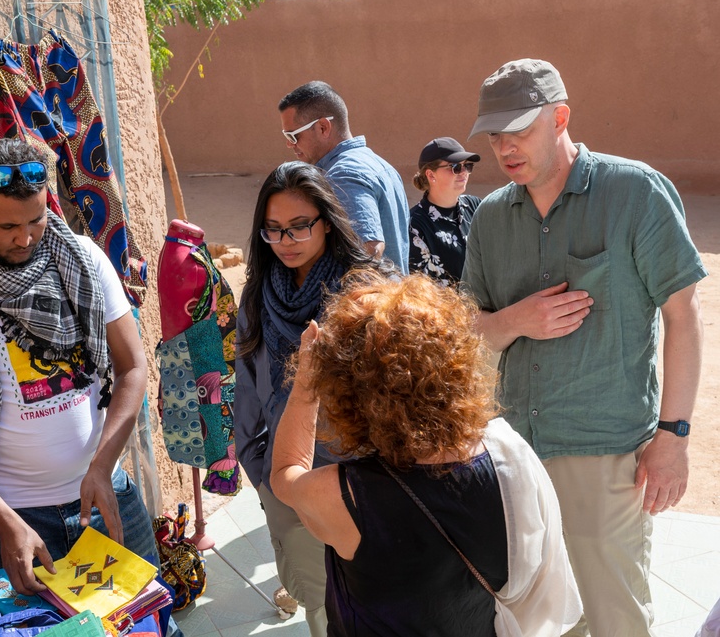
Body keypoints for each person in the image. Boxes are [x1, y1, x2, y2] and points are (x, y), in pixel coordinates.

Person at [462, 58, 706, 636]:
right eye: (495, 135)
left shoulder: (636, 192)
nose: (505, 147)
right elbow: (464, 333)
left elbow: (684, 316)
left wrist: (673, 436)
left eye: (519, 128)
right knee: (539, 621)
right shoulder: (491, 219)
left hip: (605, 453)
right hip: (513, 456)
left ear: (561, 117)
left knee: (615, 617)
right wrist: (517, 320)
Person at [0, 138, 159, 598]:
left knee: (146, 624)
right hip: (16, 518)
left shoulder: (85, 259)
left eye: (37, 220)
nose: (24, 238)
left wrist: (103, 466)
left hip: (106, 494)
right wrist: (4, 524)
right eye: (7, 226)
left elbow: (132, 368)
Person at [269, 271, 581, 637]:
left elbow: (285, 474)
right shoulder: (507, 454)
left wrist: (308, 377)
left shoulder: (341, 495)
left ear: (350, 394)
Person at [234, 161, 387, 636]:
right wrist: (261, 469)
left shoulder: (365, 292)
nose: (287, 241)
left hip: (361, 481)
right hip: (289, 481)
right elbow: (247, 388)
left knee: (373, 603)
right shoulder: (260, 295)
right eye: (274, 230)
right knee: (321, 608)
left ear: (326, 220)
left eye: (300, 226)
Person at [278, 81, 409, 270]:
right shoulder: (381, 165)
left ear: (323, 127)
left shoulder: (343, 175)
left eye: (293, 136)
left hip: (365, 298)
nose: (290, 145)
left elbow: (367, 251)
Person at [408, 137, 482, 285]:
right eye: (455, 167)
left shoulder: (475, 205)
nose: (463, 172)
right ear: (431, 175)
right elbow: (423, 289)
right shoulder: (414, 224)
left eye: (467, 166)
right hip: (450, 307)